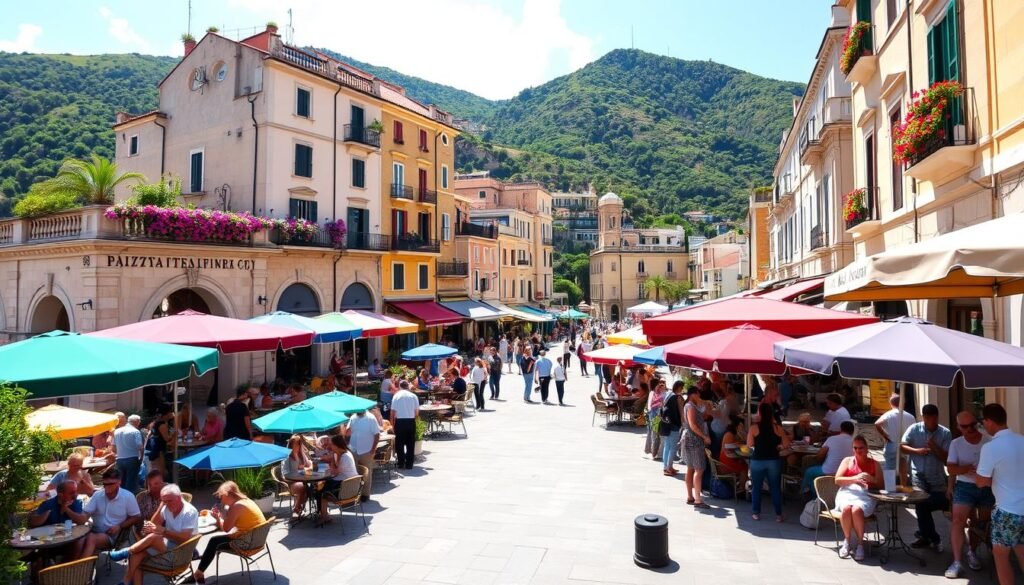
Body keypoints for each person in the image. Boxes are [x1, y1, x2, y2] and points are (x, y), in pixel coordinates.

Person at [108, 483, 198, 585]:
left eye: (169, 501)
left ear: (179, 498)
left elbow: (185, 538)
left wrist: (163, 531)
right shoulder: (167, 507)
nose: (167, 504)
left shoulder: (189, 512)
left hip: (180, 552)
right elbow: (154, 523)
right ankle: (125, 581)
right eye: (164, 501)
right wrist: (160, 507)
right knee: (137, 554)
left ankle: (127, 551)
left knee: (154, 537)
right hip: (167, 546)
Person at [976, 403, 1024, 585]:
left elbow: (981, 482)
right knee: (1021, 550)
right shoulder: (1022, 440)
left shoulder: (990, 447)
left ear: (989, 422)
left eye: (983, 422)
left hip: (1007, 511)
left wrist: (992, 477)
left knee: (1001, 556)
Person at [943, 411, 993, 578]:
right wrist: (966, 469)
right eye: (965, 426)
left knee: (980, 523)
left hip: (987, 487)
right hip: (965, 486)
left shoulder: (989, 441)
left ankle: (972, 551)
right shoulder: (956, 444)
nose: (971, 429)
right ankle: (957, 561)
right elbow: (950, 469)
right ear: (959, 427)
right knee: (958, 520)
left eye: (973, 424)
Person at [189, 481, 266, 584]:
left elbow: (226, 528)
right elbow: (230, 525)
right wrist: (220, 516)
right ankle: (200, 569)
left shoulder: (236, 506)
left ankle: (199, 573)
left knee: (214, 541)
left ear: (226, 494)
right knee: (216, 541)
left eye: (221, 497)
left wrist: (218, 517)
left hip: (247, 544)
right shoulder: (246, 501)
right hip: (258, 540)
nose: (220, 500)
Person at [901, 403, 952, 551]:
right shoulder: (914, 429)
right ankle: (931, 538)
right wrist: (916, 451)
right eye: (929, 418)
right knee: (921, 505)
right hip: (918, 475)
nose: (932, 421)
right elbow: (902, 446)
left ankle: (926, 534)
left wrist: (935, 447)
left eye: (935, 418)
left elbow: (947, 459)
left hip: (936, 477)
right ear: (924, 418)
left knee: (928, 505)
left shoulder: (945, 433)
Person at [834, 435, 883, 561]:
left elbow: (882, 485)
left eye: (861, 448)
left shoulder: (875, 464)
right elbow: (837, 480)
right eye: (855, 448)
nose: (857, 451)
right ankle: (847, 541)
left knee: (856, 510)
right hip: (847, 492)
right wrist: (855, 479)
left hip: (866, 494)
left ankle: (860, 544)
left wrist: (872, 479)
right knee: (846, 509)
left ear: (867, 448)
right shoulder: (847, 461)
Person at [79, 468, 141, 560]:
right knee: (78, 540)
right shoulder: (98, 495)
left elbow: (136, 517)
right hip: (94, 530)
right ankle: (70, 568)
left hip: (112, 536)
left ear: (119, 482)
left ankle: (81, 569)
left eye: (110, 484)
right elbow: (85, 513)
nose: (107, 487)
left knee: (91, 538)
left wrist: (120, 526)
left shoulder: (128, 497)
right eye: (105, 484)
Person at [747, 402, 790, 522]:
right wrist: (779, 447)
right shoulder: (778, 428)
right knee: (775, 488)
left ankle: (756, 513)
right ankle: (778, 515)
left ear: (759, 413)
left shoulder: (754, 428)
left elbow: (749, 444)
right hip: (773, 460)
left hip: (757, 460)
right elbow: (786, 444)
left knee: (756, 487)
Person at [802, 420, 855, 495]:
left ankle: (809, 494)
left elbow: (820, 455)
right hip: (846, 473)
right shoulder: (855, 442)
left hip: (829, 471)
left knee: (809, 471)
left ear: (841, 429)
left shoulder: (832, 439)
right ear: (853, 431)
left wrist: (818, 459)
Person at [320, 435, 360, 526]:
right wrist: (333, 457)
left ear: (337, 445)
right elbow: (336, 472)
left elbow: (334, 472)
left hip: (347, 488)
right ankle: (323, 515)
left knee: (321, 492)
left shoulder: (345, 457)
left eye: (331, 445)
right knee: (322, 486)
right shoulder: (342, 454)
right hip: (347, 483)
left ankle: (324, 516)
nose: (330, 447)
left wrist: (331, 461)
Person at [682, 388, 712, 509]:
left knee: (690, 468)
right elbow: (693, 425)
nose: (699, 396)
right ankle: (698, 499)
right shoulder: (690, 406)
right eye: (698, 394)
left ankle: (690, 496)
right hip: (694, 440)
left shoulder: (691, 406)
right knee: (699, 469)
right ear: (693, 394)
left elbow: (699, 420)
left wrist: (707, 410)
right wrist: (705, 437)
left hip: (689, 439)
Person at [875, 394, 916, 473]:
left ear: (891, 404)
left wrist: (885, 435)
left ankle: (889, 485)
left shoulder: (889, 414)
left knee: (890, 468)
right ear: (902, 403)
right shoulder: (910, 416)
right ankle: (904, 484)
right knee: (904, 467)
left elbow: (877, 423)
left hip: (892, 443)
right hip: (906, 445)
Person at [346, 408, 380, 502]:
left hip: (367, 450)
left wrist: (373, 449)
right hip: (353, 449)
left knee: (367, 473)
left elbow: (377, 435)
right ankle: (354, 494)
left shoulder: (371, 418)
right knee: (353, 472)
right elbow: (348, 432)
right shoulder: (353, 417)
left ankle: (365, 494)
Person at [390, 381, 419, 470]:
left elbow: (392, 412)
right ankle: (409, 464)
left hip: (400, 422)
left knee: (399, 443)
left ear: (399, 386)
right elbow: (417, 412)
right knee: (410, 444)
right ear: (407, 387)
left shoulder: (396, 396)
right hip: (410, 421)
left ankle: (401, 463)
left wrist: (392, 424)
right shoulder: (414, 396)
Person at [281, 435, 313, 518]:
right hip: (291, 483)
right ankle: (297, 507)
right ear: (290, 445)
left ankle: (298, 507)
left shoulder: (301, 454)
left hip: (302, 480)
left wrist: (307, 468)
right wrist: (298, 472)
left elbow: (309, 463)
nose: (297, 446)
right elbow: (285, 474)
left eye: (298, 444)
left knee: (312, 487)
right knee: (303, 487)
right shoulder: (286, 457)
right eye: (294, 444)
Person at [113, 413, 145, 494]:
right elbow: (140, 447)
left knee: (121, 483)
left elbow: (113, 448)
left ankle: (121, 500)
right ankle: (129, 501)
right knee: (131, 483)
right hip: (132, 458)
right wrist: (141, 458)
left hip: (120, 460)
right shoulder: (135, 432)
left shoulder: (117, 431)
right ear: (137, 422)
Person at [661, 382, 686, 476]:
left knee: (667, 446)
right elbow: (681, 412)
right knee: (673, 448)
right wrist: (684, 424)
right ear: (679, 387)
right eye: (682, 387)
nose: (682, 389)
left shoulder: (668, 394)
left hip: (667, 424)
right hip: (674, 424)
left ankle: (666, 467)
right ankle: (669, 468)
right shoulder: (678, 397)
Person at [717, 417, 748, 487]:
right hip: (725, 462)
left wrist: (742, 436)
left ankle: (741, 487)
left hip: (728, 459)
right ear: (736, 426)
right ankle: (741, 489)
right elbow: (729, 448)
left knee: (744, 463)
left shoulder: (734, 434)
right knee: (744, 468)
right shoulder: (729, 434)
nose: (742, 428)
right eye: (741, 426)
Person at [645, 380, 668, 460]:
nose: (660, 386)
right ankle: (654, 453)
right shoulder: (653, 393)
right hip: (655, 416)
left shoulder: (663, 394)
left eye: (662, 385)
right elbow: (651, 406)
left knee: (658, 435)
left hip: (658, 416)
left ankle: (656, 452)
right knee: (655, 434)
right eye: (659, 385)